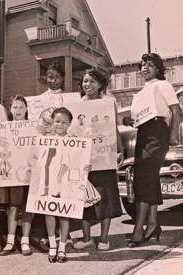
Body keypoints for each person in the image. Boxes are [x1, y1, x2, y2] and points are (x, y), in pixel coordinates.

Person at [125, 53, 181, 247]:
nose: (145, 68)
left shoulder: (163, 85)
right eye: (142, 65)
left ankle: (139, 229)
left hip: (158, 133)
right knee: (148, 178)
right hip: (142, 133)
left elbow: (176, 110)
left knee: (144, 178)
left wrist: (173, 135)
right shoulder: (141, 92)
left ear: (158, 68)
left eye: (149, 65)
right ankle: (153, 224)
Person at [73, 68, 124, 251]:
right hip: (84, 160)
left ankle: (104, 238)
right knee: (84, 199)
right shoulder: (77, 105)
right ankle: (86, 238)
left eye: (92, 81)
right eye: (85, 81)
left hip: (104, 157)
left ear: (101, 84)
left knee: (105, 198)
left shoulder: (109, 102)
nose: (88, 85)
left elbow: (114, 128)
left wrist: (121, 149)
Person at [0, 95, 35, 257]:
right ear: (10, 109)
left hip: (30, 172)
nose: (18, 110)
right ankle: (10, 241)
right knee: (13, 206)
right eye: (15, 107)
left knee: (28, 207)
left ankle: (25, 240)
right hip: (13, 174)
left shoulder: (33, 127)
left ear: (26, 109)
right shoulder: (4, 128)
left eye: (21, 107)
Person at [43, 107, 74, 263]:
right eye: (57, 121)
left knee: (64, 213)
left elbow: (72, 162)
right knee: (49, 211)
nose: (60, 124)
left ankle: (62, 247)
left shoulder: (73, 140)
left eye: (64, 122)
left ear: (69, 124)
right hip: (50, 180)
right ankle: (52, 245)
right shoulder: (46, 139)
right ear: (52, 122)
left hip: (64, 180)